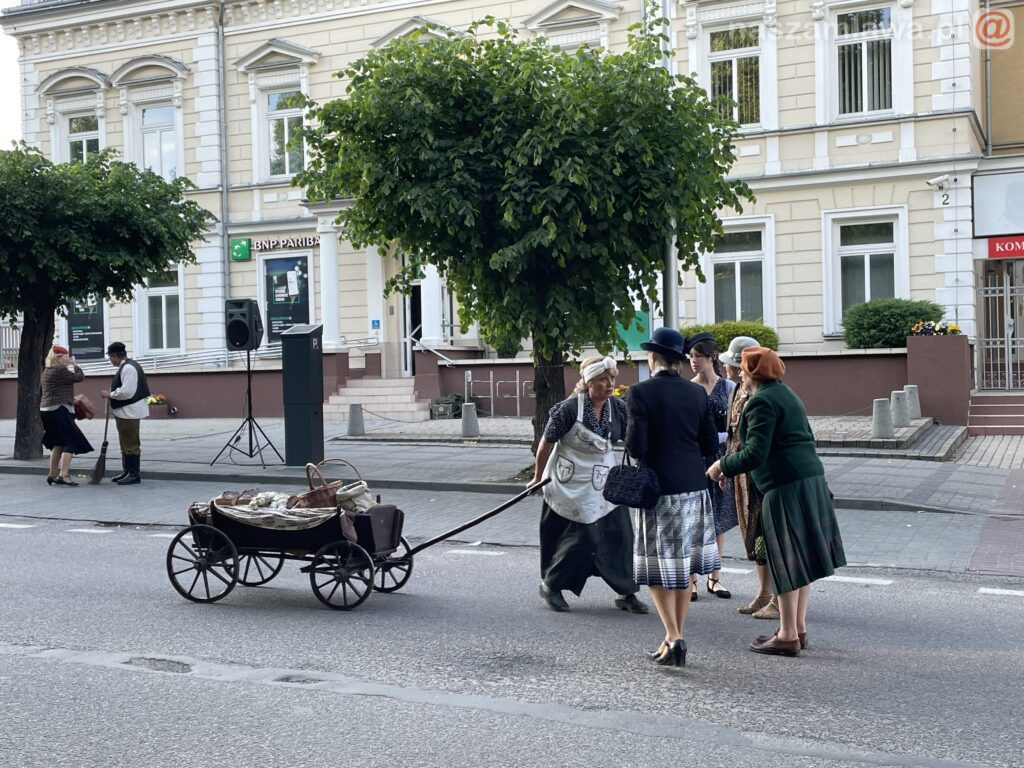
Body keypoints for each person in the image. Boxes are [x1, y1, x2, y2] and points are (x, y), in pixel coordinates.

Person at [708, 347, 847, 657]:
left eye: (742, 370)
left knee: (784, 560)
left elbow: (755, 452)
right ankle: (798, 629)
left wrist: (722, 466)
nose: (740, 375)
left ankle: (786, 635)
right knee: (801, 561)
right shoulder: (788, 395)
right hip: (809, 480)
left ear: (753, 374)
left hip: (784, 486)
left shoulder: (761, 402)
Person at [626, 328, 719, 667]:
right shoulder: (696, 393)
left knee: (655, 570)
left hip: (659, 491)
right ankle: (673, 638)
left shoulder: (640, 393)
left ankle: (674, 637)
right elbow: (710, 444)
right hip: (694, 489)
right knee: (684, 570)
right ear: (679, 359)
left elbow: (637, 448)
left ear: (653, 357)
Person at [530, 356, 648, 615]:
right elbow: (545, 444)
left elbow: (631, 441)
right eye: (604, 379)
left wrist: (643, 463)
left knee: (621, 535)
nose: (610, 384)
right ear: (588, 382)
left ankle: (626, 592)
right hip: (568, 484)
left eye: (612, 379)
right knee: (584, 537)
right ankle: (551, 585)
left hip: (604, 482)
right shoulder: (568, 409)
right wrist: (537, 478)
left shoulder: (618, 407)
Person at [719, 336, 779, 621]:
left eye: (735, 365)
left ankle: (777, 598)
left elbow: (756, 444)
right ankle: (764, 592)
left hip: (758, 473)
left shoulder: (759, 395)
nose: (730, 369)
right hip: (741, 471)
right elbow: (732, 434)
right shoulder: (738, 391)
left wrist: (726, 466)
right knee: (753, 534)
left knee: (767, 535)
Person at [686, 332, 738, 601]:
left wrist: (727, 459)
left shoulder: (728, 387)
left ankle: (714, 578)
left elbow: (732, 428)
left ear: (712, 357)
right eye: (691, 356)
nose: (693, 361)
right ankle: (692, 579)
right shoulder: (689, 388)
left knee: (717, 520)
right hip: (695, 457)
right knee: (695, 519)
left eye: (698, 356)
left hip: (720, 456)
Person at [39, 345, 93, 486]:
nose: (68, 359)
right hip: (58, 411)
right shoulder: (59, 370)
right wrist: (75, 365)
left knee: (59, 442)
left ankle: (52, 475)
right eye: (66, 357)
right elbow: (79, 377)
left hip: (48, 411)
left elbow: (57, 389)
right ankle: (64, 475)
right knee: (71, 441)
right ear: (58, 357)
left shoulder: (47, 370)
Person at [100, 342, 150, 486]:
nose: (110, 360)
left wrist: (109, 394)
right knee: (125, 442)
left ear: (115, 356)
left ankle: (134, 474)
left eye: (110, 357)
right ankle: (127, 471)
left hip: (129, 410)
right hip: (125, 410)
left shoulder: (128, 368)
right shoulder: (127, 366)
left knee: (131, 442)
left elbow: (127, 391)